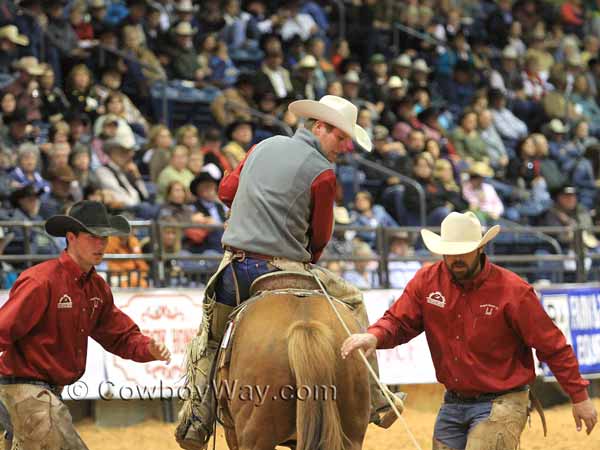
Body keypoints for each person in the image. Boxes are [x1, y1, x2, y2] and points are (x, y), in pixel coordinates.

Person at [176, 95, 401, 449]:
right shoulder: (323, 173)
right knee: (353, 301)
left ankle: (197, 416)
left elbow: (225, 192)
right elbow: (321, 236)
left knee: (212, 335)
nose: (344, 147)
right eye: (340, 137)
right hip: (288, 265)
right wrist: (303, 255)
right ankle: (376, 396)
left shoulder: (261, 147)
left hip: (237, 268)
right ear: (318, 127)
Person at [341, 211, 598, 450]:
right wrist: (374, 335)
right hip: (454, 400)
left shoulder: (513, 291)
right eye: (449, 252)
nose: (455, 259)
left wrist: (579, 396)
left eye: (463, 251)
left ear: (481, 248)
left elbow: (551, 346)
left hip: (503, 401)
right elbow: (398, 321)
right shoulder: (426, 281)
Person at [0, 200, 172, 450]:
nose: (101, 243)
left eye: (104, 237)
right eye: (93, 236)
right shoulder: (41, 281)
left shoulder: (96, 288)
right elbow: (3, 327)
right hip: (22, 388)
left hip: (40, 393)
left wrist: (148, 349)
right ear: (71, 237)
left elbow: (119, 335)